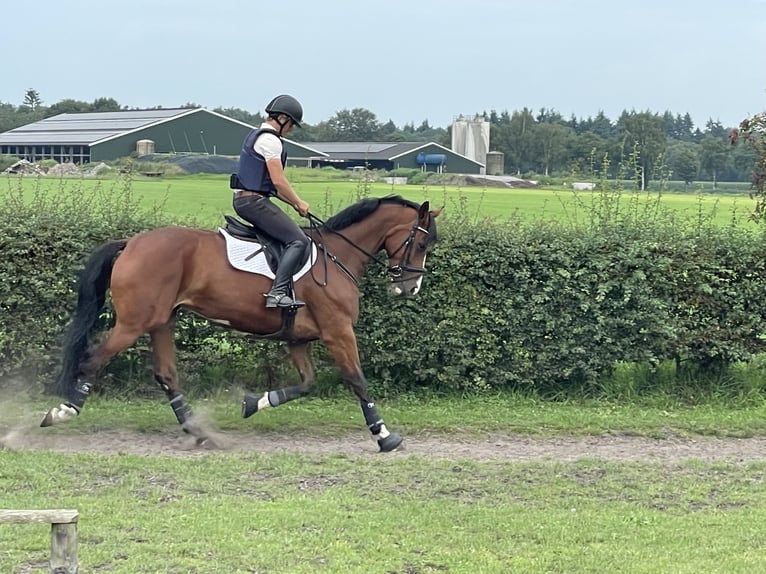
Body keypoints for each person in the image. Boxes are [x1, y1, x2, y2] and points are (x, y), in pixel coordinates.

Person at [232, 94, 311, 308]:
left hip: (247, 199)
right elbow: (278, 181)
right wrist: (299, 201)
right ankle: (277, 293)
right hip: (253, 202)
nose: (291, 129)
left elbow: (271, 187)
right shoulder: (270, 141)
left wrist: (295, 204)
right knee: (299, 241)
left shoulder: (256, 135)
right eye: (292, 124)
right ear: (283, 119)